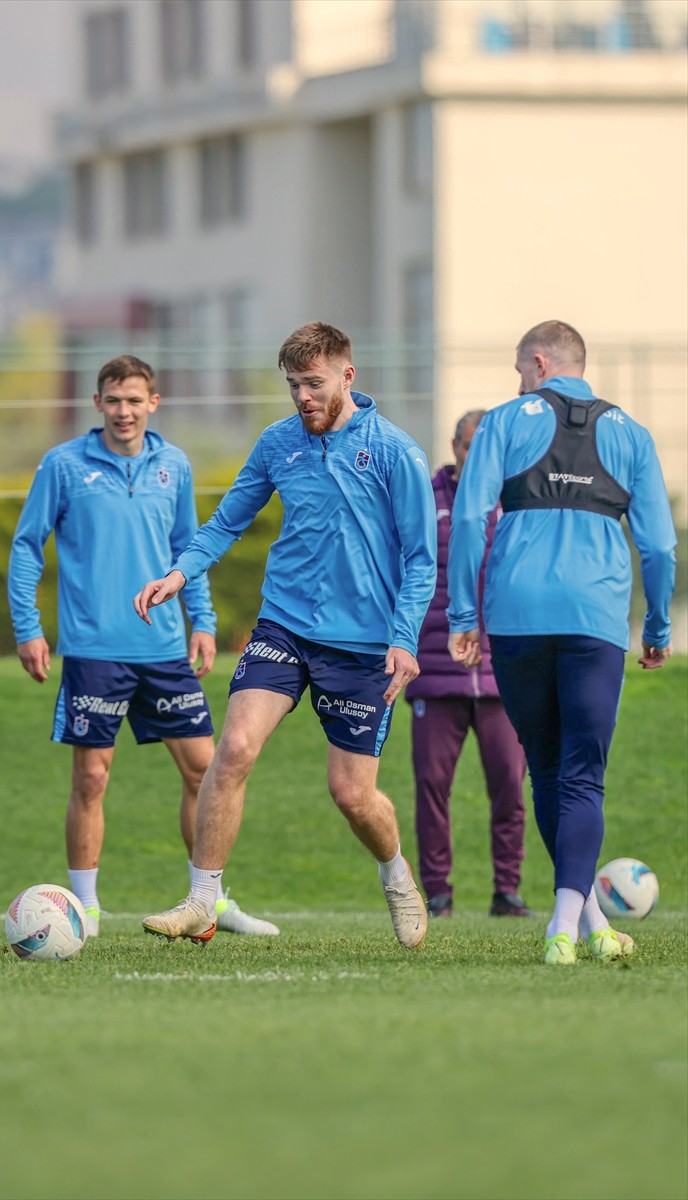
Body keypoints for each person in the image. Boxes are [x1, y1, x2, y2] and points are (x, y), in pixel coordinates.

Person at [134, 321, 437, 948]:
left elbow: (421, 559)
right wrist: (178, 573)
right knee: (236, 747)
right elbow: (226, 523)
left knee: (352, 795)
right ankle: (202, 899)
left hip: (363, 646)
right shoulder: (278, 443)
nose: (303, 396)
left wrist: (404, 638)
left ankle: (397, 874)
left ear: (347, 377)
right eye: (294, 384)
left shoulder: (393, 450)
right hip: (285, 625)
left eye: (315, 383)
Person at [7, 354, 278, 938]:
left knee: (205, 771)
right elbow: (27, 546)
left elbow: (191, 546)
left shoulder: (173, 465)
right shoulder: (63, 465)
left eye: (135, 400)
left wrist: (201, 622)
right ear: (97, 402)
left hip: (165, 648)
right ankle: (86, 910)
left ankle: (210, 902)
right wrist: (28, 627)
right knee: (91, 779)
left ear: (153, 403)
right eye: (114, 399)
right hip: (93, 647)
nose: (124, 410)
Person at [447, 319, 676, 966]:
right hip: (595, 619)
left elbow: (469, 515)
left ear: (540, 363)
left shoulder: (502, 419)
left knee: (545, 768)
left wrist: (464, 613)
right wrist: (656, 626)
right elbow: (659, 545)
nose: (520, 381)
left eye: (522, 370)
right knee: (582, 775)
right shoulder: (632, 433)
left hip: (517, 615)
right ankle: (563, 926)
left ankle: (589, 921)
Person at [407, 410, 531, 919]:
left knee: (510, 784)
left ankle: (507, 890)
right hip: (436, 674)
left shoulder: (519, 503)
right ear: (454, 447)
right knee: (433, 785)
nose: (476, 456)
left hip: (504, 675)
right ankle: (437, 891)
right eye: (468, 445)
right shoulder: (426, 499)